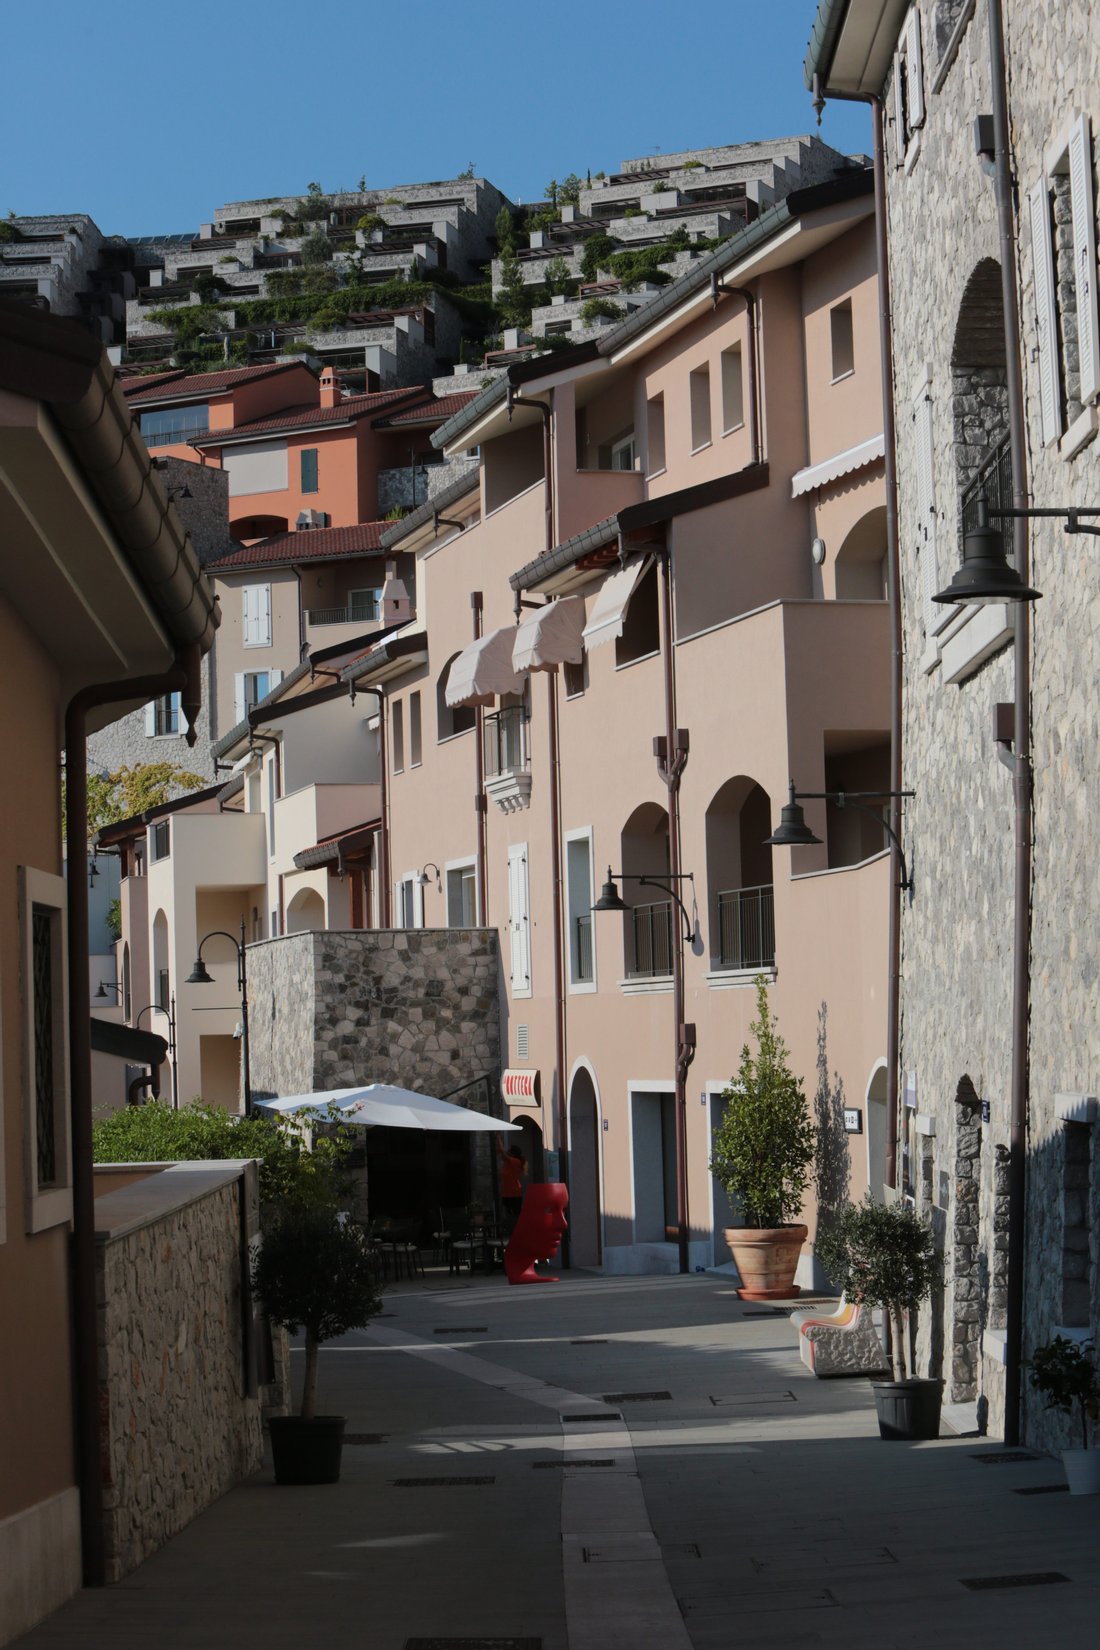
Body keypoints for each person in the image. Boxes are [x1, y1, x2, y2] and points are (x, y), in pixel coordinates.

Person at [496, 1134, 527, 1234]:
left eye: (509, 1151)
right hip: (506, 1193)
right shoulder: (507, 1163)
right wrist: (498, 1142)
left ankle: (516, 1234)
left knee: (514, 1216)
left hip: (514, 1194)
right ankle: (511, 1233)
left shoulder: (515, 1162)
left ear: (512, 1154)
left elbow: (502, 1152)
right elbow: (500, 1151)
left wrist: (498, 1137)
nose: (507, 1152)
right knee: (508, 1215)